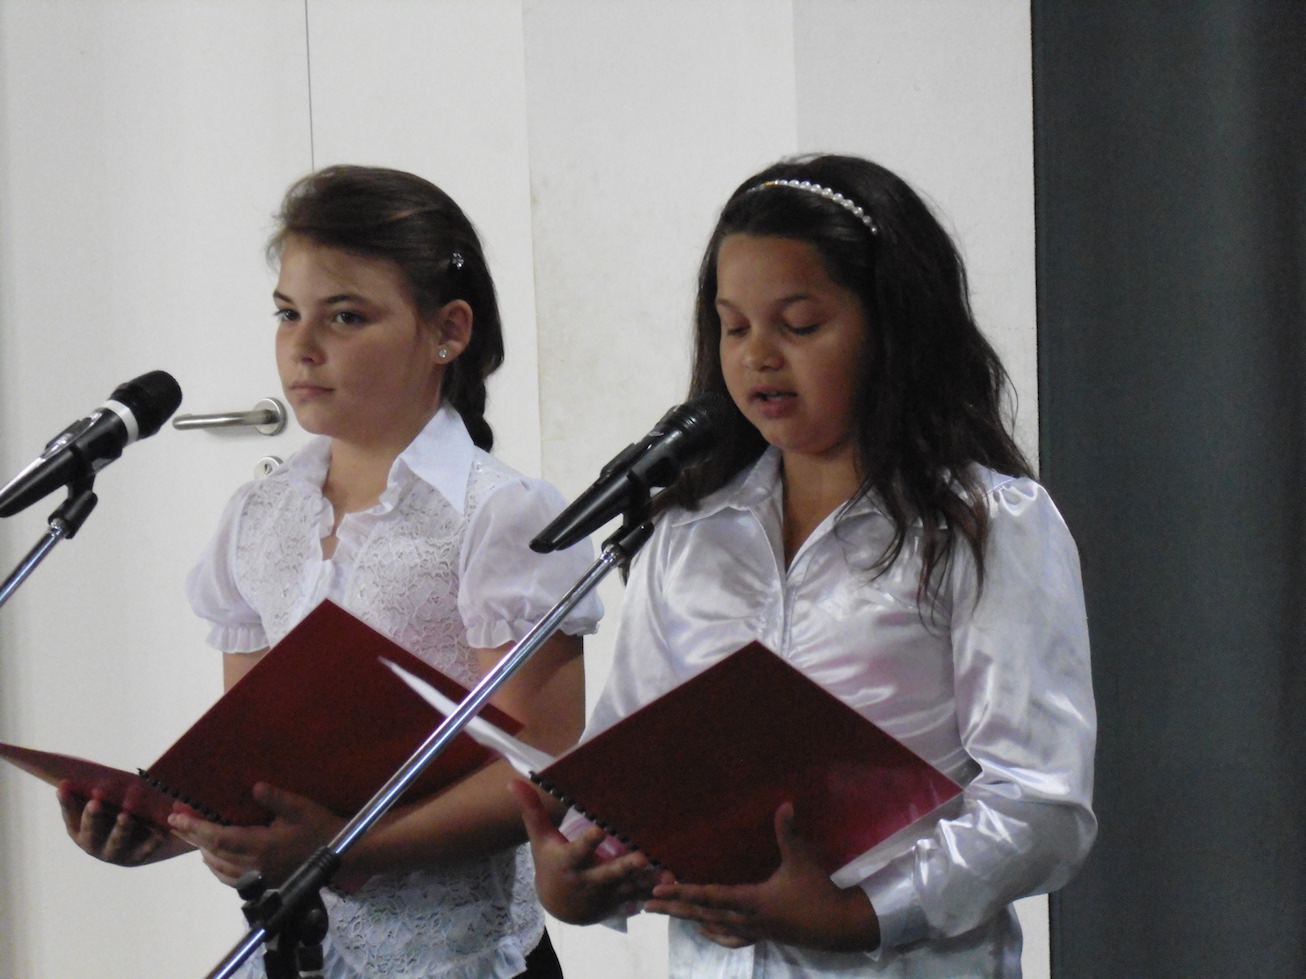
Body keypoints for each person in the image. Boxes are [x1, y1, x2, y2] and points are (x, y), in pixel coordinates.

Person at [512, 154, 1096, 977]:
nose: (758, 356)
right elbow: (635, 763)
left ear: (891, 327)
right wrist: (579, 876)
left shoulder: (986, 524)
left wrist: (862, 914)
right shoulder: (689, 530)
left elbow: (1042, 805)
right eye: (734, 326)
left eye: (799, 324)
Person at [59, 165, 601, 979]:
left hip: (456, 956)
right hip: (298, 946)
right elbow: (254, 763)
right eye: (288, 313)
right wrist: (176, 827)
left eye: (345, 316)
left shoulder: (501, 515)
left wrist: (348, 848)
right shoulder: (261, 515)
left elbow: (543, 763)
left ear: (448, 331)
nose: (302, 345)